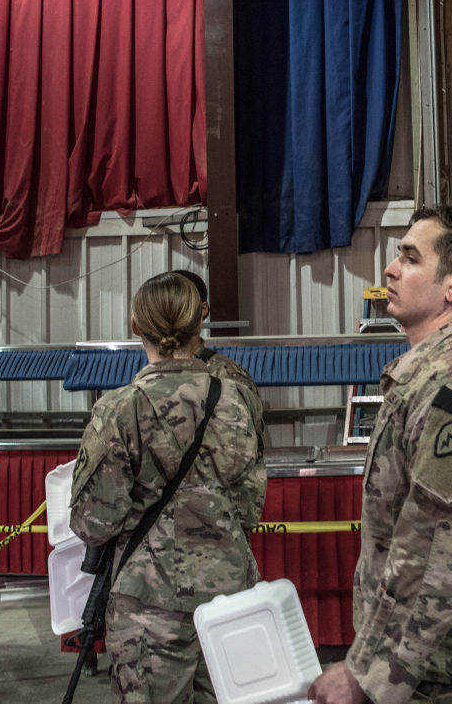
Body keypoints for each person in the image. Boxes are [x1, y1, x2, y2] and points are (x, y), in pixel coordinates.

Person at [308, 205, 452, 704]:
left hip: (446, 674)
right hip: (425, 665)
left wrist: (371, 675)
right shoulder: (427, 378)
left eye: (409, 257)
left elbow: (436, 549)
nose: (390, 269)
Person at [70, 272, 267, 704]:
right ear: (200, 323)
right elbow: (251, 504)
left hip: (149, 606)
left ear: (135, 325)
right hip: (231, 594)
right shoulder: (236, 398)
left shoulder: (120, 408)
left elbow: (93, 523)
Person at [172, 269, 268, 453]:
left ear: (203, 309)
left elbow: (244, 451)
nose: (175, 314)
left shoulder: (226, 375)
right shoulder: (155, 374)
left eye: (183, 305)